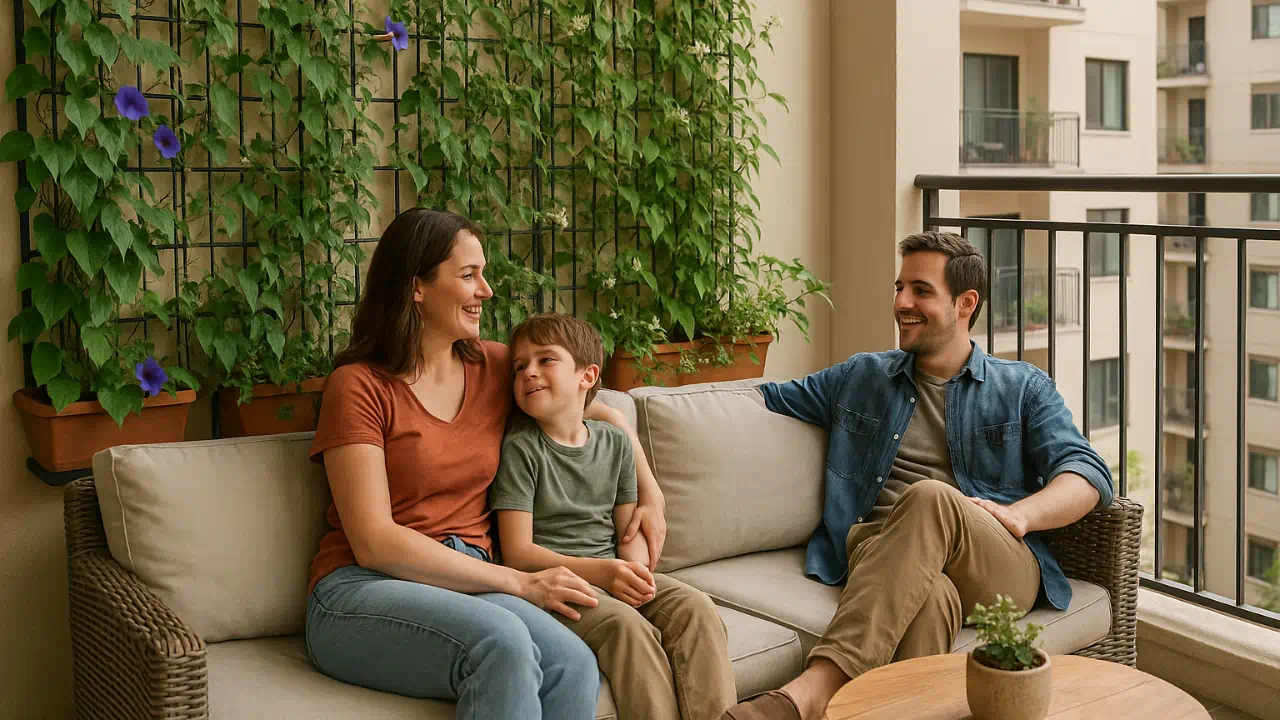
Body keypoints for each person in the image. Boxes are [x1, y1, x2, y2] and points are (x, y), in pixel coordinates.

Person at [721, 231, 1114, 720]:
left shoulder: (1021, 387)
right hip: (883, 554)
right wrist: (615, 415)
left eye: (921, 291)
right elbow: (760, 398)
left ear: (965, 303)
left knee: (931, 497)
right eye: (899, 287)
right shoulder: (862, 376)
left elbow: (1089, 474)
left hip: (994, 560)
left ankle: (815, 689)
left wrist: (1019, 515)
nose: (901, 302)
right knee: (928, 599)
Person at [303, 208, 669, 720]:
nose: (487, 290)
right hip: (362, 588)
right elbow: (374, 539)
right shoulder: (359, 387)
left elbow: (599, 409)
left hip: (470, 577)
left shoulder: (494, 366)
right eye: (469, 275)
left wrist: (651, 493)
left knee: (573, 662)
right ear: (417, 287)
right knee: (503, 643)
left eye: (484, 274)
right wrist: (518, 582)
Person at [491, 312, 738, 720]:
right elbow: (517, 552)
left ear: (586, 377)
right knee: (628, 629)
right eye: (520, 366)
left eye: (545, 360)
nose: (529, 373)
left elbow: (628, 531)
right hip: (557, 584)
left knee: (696, 609)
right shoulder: (521, 450)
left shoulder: (615, 444)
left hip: (612, 572)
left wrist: (635, 572)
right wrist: (606, 575)